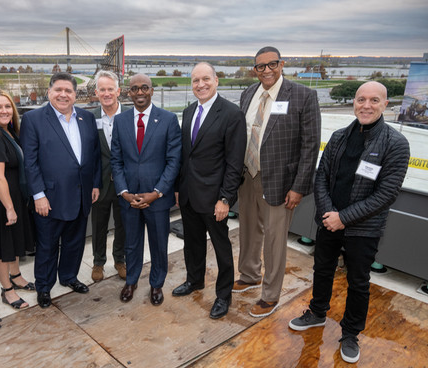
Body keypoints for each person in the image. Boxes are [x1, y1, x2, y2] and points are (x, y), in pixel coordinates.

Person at [288, 81, 410, 364]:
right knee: (322, 269)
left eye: (374, 101)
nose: (366, 106)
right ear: (354, 102)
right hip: (329, 221)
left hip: (363, 229)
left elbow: (386, 194)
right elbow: (322, 177)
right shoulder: (339, 136)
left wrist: (345, 218)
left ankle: (351, 333)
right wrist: (330, 214)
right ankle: (318, 313)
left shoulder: (396, 144)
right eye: (361, 100)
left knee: (358, 282)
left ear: (385, 105)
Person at [236, 46, 321, 317]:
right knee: (248, 229)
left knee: (274, 239)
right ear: (255, 70)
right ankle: (249, 274)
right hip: (247, 175)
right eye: (261, 66)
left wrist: (298, 187)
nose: (267, 70)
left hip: (281, 183)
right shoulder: (248, 93)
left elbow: (310, 146)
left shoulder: (303, 96)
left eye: (272, 64)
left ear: (281, 64)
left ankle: (270, 295)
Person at [172, 62, 247, 319]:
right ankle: (195, 280)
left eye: (205, 79)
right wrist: (179, 189)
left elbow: (235, 162)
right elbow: (186, 156)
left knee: (221, 247)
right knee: (192, 244)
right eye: (195, 80)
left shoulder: (231, 113)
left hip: (215, 197)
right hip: (189, 194)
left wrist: (225, 198)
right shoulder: (189, 110)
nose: (200, 85)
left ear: (216, 81)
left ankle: (223, 295)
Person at [20, 72, 101, 309]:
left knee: (74, 242)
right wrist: (38, 195)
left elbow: (93, 156)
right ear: (49, 92)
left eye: (68, 91)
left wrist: (95, 184)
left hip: (81, 194)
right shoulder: (33, 119)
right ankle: (44, 287)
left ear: (75, 95)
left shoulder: (86, 117)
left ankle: (68, 277)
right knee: (47, 245)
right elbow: (30, 162)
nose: (63, 95)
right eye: (58, 90)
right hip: (50, 198)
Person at [110, 73, 181, 306]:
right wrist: (123, 191)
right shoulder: (120, 121)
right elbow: (116, 160)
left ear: (151, 90)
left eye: (144, 88)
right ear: (128, 92)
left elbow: (173, 161)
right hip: (129, 197)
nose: (139, 92)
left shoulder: (169, 119)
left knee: (159, 243)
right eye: (134, 89)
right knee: (131, 243)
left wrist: (157, 192)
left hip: (157, 199)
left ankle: (156, 284)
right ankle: (131, 281)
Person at [0, 89, 37, 311]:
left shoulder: (10, 132)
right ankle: (7, 290)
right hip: (3, 198)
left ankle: (17, 277)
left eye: (7, 107)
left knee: (13, 241)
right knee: (3, 246)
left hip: (15, 195)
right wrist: (9, 208)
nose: (4, 111)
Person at [90, 70, 130, 282]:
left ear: (118, 91)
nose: (106, 93)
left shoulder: (131, 115)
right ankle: (98, 262)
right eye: (102, 89)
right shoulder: (90, 118)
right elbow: (90, 154)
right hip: (100, 183)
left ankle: (120, 259)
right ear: (97, 92)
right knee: (99, 224)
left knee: (123, 223)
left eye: (110, 89)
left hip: (126, 183)